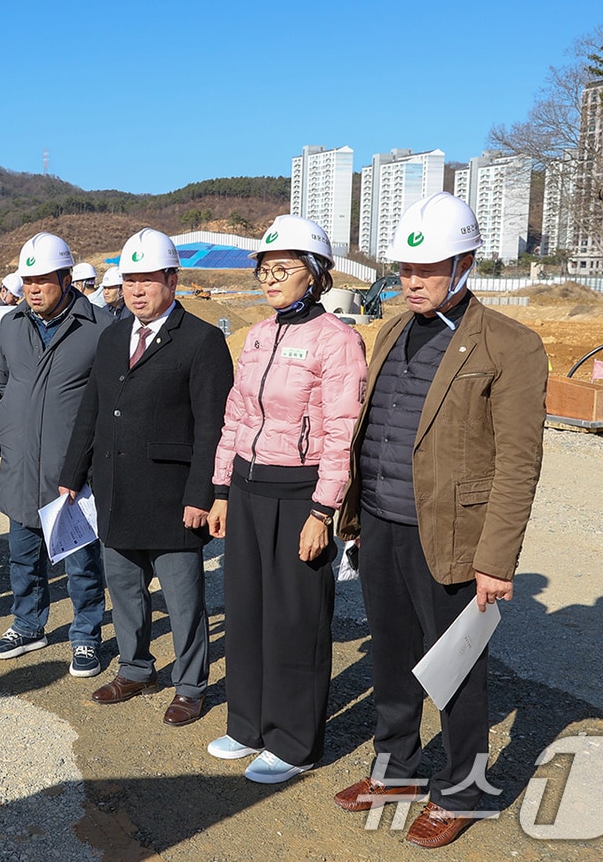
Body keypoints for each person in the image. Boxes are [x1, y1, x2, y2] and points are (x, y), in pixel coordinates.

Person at [332, 193, 547, 849]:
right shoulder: (392, 328)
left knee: (454, 668)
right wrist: (356, 515)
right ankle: (396, 770)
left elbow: (518, 461)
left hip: (454, 535)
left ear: (466, 262)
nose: (413, 279)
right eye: (405, 267)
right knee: (393, 660)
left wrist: (496, 557)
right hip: (382, 522)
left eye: (429, 267)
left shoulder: (511, 345)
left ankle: (462, 789)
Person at [206, 215, 367, 783]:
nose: (271, 279)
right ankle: (248, 724)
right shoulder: (257, 334)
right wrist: (222, 489)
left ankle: (295, 742)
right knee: (247, 609)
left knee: (296, 619)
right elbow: (236, 417)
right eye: (265, 269)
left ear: (316, 275)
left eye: (285, 269)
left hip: (300, 493)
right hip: (248, 485)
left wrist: (324, 511)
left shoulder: (338, 340)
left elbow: (341, 432)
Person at [59, 228, 232, 726]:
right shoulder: (113, 336)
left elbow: (213, 428)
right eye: (129, 280)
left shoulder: (202, 340)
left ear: (172, 280)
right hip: (114, 487)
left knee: (183, 599)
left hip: (173, 495)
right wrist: (73, 473)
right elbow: (90, 410)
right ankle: (136, 668)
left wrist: (203, 493)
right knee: (126, 590)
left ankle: (191, 684)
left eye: (147, 280)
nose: (136, 290)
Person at [0, 231, 111, 677]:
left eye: (42, 279)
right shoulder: (11, 326)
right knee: (22, 555)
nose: (33, 288)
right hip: (21, 464)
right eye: (27, 280)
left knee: (79, 561)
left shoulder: (99, 327)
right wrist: (8, 427)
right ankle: (28, 624)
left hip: (71, 472)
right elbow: (2, 385)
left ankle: (85, 636)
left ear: (66, 277)